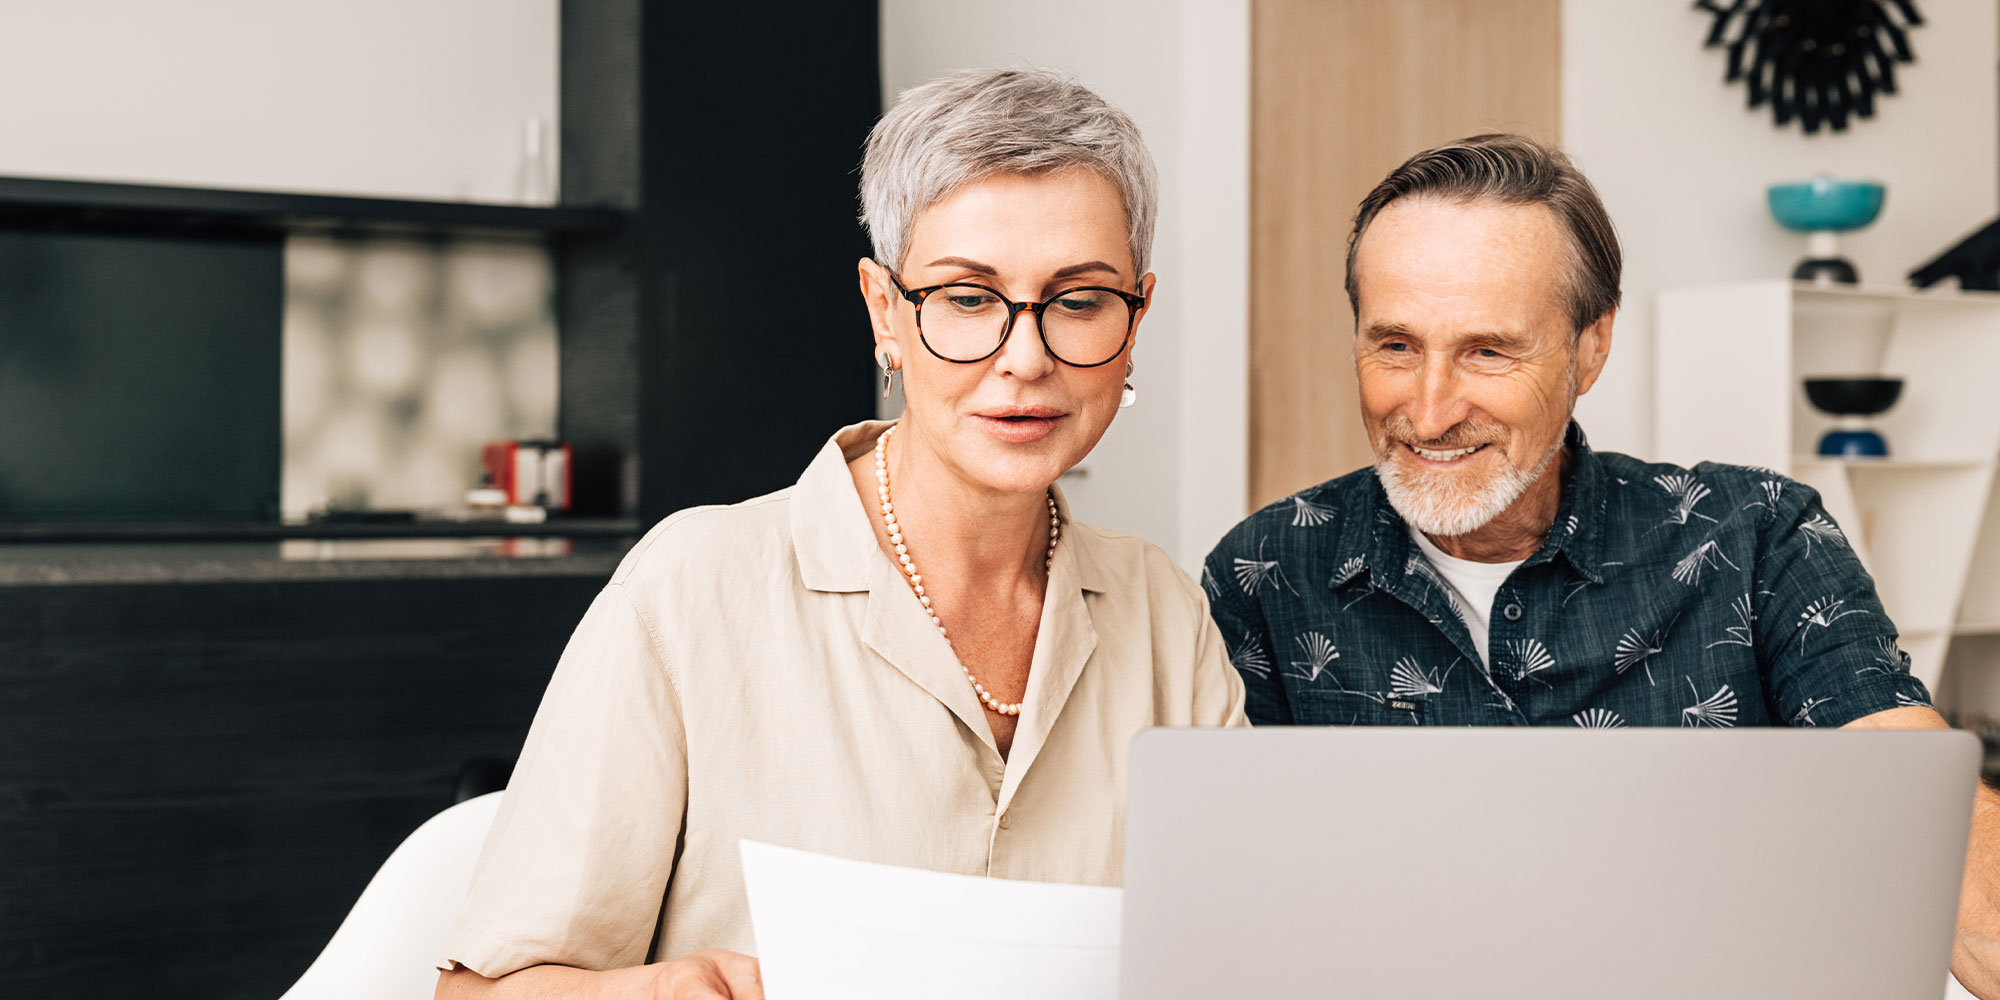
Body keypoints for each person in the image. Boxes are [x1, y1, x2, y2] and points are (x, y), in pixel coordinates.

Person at [434, 68, 1246, 1000]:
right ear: (885, 311)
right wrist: (657, 992)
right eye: (968, 298)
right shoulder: (693, 588)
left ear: (1136, 316)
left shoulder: (1167, 617)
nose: (1026, 358)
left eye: (1080, 300)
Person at [1201, 132, 2000, 995]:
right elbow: (1231, 906)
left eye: (1488, 351)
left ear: (1591, 347)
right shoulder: (1265, 572)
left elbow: (1925, 809)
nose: (1427, 411)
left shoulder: (1756, 536)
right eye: (1395, 346)